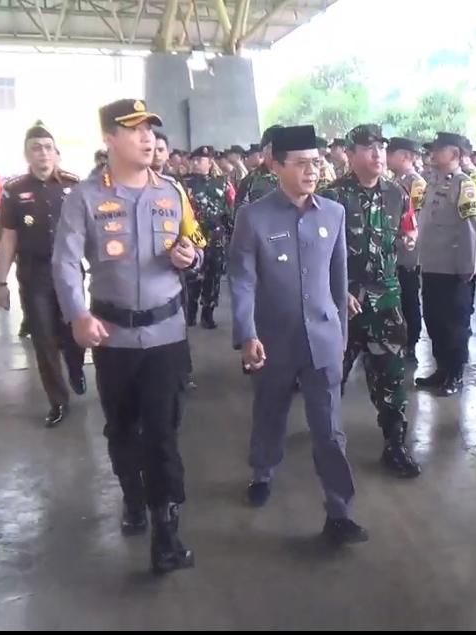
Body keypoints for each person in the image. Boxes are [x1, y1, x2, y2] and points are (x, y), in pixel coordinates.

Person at [53, 97, 203, 574]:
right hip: (113, 337)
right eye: (133, 129)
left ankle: (166, 531)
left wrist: (189, 257)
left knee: (163, 433)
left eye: (150, 129)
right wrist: (77, 314)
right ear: (109, 138)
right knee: (122, 428)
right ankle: (132, 495)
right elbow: (64, 263)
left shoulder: (173, 193)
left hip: (166, 335)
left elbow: (194, 244)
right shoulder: (85, 198)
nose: (146, 138)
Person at [228, 124, 368, 546]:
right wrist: (246, 333)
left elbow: (338, 276)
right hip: (273, 339)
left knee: (329, 429)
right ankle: (263, 471)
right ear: (276, 166)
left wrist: (342, 337)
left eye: (317, 162)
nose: (312, 171)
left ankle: (340, 511)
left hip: (323, 339)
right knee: (270, 412)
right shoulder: (253, 217)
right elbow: (242, 281)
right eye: (302, 163)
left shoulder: (333, 213)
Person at [321, 124, 421, 478]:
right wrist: (337, 291)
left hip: (386, 303)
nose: (377, 154)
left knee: (392, 378)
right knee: (331, 378)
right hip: (341, 305)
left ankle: (395, 444)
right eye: (367, 147)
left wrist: (409, 238)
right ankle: (327, 441)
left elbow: (408, 228)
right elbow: (315, 256)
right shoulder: (330, 198)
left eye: (380, 146)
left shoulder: (397, 194)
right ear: (349, 154)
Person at [0, 121, 86, 427]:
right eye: (36, 148)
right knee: (44, 339)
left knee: (73, 330)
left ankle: (75, 367)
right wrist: (1, 280)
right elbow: (8, 237)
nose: (43, 154)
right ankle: (58, 400)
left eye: (48, 147)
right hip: (34, 274)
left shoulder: (73, 185)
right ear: (26, 154)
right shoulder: (13, 191)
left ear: (56, 153)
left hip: (70, 272)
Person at [414, 132, 476, 397]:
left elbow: (470, 228)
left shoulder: (464, 185)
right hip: (432, 266)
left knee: (455, 325)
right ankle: (441, 369)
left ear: (454, 154)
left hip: (455, 270)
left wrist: (467, 268)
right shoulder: (433, 183)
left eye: (438, 150)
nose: (432, 154)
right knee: (434, 320)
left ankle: (455, 374)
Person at [181, 145, 235, 329]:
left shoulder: (223, 183)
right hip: (192, 237)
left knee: (213, 276)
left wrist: (230, 233)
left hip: (216, 237)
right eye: (193, 160)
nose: (195, 163)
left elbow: (230, 208)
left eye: (200, 160)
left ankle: (208, 314)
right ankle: (190, 312)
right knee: (192, 275)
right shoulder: (184, 183)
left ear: (210, 162)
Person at [387, 137, 427, 362]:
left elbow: (416, 221)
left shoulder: (416, 183)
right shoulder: (396, 180)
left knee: (410, 298)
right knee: (399, 298)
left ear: (404, 156)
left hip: (409, 253)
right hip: (396, 251)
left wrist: (411, 252)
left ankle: (411, 341)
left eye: (390, 154)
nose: (386, 158)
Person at [235, 126, 282, 210]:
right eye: (272, 147)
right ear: (263, 151)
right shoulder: (250, 181)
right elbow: (239, 214)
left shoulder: (295, 177)